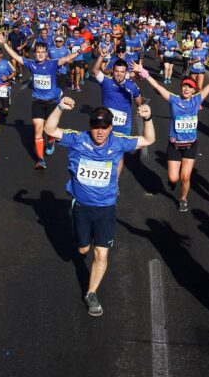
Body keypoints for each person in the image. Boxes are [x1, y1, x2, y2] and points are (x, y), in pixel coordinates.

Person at [44, 97, 155, 316]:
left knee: (101, 254)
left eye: (105, 127)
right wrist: (59, 107)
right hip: (82, 206)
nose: (100, 132)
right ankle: (84, 243)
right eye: (96, 126)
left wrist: (149, 118)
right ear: (90, 126)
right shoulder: (78, 139)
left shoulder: (119, 141)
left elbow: (148, 139)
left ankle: (91, 293)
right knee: (82, 249)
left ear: (111, 127)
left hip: (106, 208)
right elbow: (50, 129)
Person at [132, 57, 209, 211]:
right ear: (181, 88)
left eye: (189, 87)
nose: (186, 89)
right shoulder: (174, 100)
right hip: (175, 145)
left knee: (185, 177)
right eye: (184, 86)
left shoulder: (197, 100)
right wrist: (143, 72)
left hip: (190, 145)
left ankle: (183, 199)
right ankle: (172, 182)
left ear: (193, 90)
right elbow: (157, 86)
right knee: (173, 178)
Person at [0, 32, 86, 169]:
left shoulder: (52, 64)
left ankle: (50, 142)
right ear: (35, 53)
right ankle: (40, 159)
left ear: (46, 53)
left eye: (42, 52)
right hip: (37, 102)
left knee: (49, 131)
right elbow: (16, 56)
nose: (40, 54)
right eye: (38, 52)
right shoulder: (31, 64)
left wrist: (80, 50)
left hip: (52, 102)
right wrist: (4, 44)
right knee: (38, 129)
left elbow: (67, 58)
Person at [91, 49, 144, 178]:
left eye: (122, 72)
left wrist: (140, 108)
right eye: (117, 71)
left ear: (125, 72)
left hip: (124, 125)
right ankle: (100, 178)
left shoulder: (132, 86)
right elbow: (95, 71)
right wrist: (101, 57)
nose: (119, 75)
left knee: (118, 154)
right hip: (106, 124)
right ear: (112, 71)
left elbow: (139, 101)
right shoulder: (106, 82)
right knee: (102, 151)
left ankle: (114, 183)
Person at [66, 27, 87, 92]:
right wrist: (70, 47)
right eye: (75, 33)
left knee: (78, 72)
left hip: (79, 58)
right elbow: (65, 46)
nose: (76, 35)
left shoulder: (82, 39)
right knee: (72, 72)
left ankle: (77, 85)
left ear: (79, 34)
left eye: (77, 33)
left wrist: (83, 47)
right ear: (73, 33)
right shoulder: (69, 39)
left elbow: (85, 46)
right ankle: (72, 84)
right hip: (71, 58)